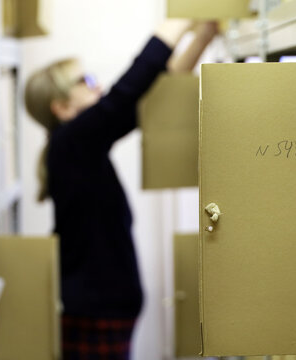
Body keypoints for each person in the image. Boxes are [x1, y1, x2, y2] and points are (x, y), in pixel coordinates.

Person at [24, 20, 217, 360]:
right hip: (96, 313)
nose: (97, 85)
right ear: (63, 107)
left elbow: (153, 94)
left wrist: (203, 37)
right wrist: (179, 21)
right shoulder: (72, 143)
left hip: (103, 309)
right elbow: (128, 90)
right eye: (85, 81)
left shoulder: (78, 146)